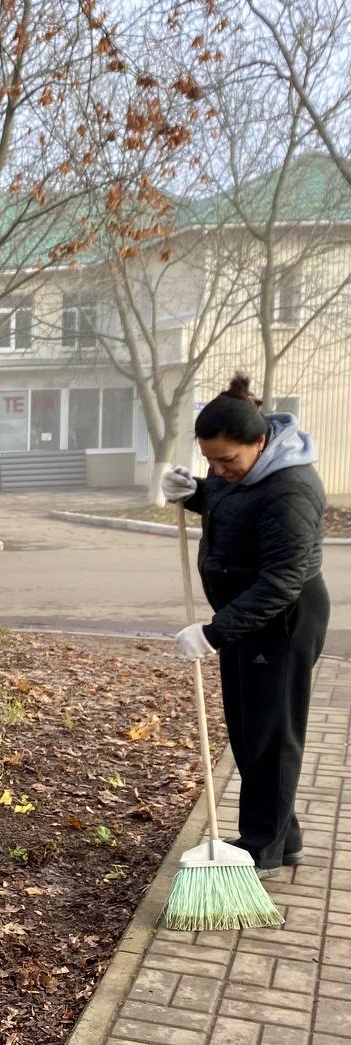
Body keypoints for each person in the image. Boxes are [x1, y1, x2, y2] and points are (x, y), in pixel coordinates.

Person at [162, 373, 329, 879]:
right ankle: (283, 836)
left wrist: (213, 631)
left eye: (226, 460)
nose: (219, 469)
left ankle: (261, 849)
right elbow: (231, 503)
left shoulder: (292, 490)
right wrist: (194, 493)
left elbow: (282, 581)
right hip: (245, 622)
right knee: (251, 731)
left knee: (271, 736)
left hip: (280, 622)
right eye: (209, 460)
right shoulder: (246, 474)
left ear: (260, 442)